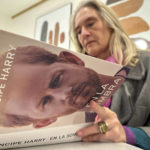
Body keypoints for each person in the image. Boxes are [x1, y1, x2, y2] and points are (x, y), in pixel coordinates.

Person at [70, 0, 150, 150]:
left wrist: (127, 134)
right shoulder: (75, 76)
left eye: (90, 24)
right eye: (78, 32)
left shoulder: (147, 64)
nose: (84, 34)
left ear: (111, 25)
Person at [0, 45, 126, 128]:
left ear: (72, 60)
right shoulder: (96, 132)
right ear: (45, 121)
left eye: (57, 79)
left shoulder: (139, 62)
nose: (64, 94)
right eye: (45, 102)